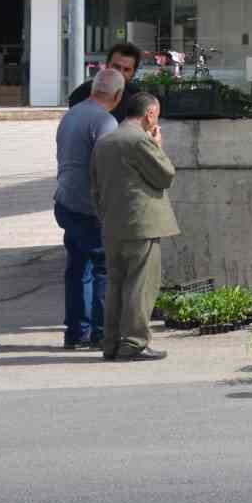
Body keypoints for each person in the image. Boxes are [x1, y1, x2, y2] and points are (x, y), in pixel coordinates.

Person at [91, 92, 178, 361]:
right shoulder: (140, 139)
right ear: (149, 113)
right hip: (141, 225)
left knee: (116, 284)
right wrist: (158, 146)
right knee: (141, 286)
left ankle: (111, 343)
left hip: (112, 224)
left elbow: (94, 186)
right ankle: (134, 343)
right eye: (156, 114)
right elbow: (165, 175)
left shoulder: (105, 141)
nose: (156, 120)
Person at [53, 68, 123, 350]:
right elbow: (108, 170)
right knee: (104, 268)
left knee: (77, 269)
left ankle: (75, 333)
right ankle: (101, 334)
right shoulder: (105, 121)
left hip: (66, 202)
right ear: (117, 95)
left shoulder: (71, 115)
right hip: (89, 209)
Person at [68, 42, 143, 123]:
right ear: (107, 65)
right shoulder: (81, 93)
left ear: (134, 73)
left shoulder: (137, 98)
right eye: (116, 67)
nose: (120, 73)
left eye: (126, 70)